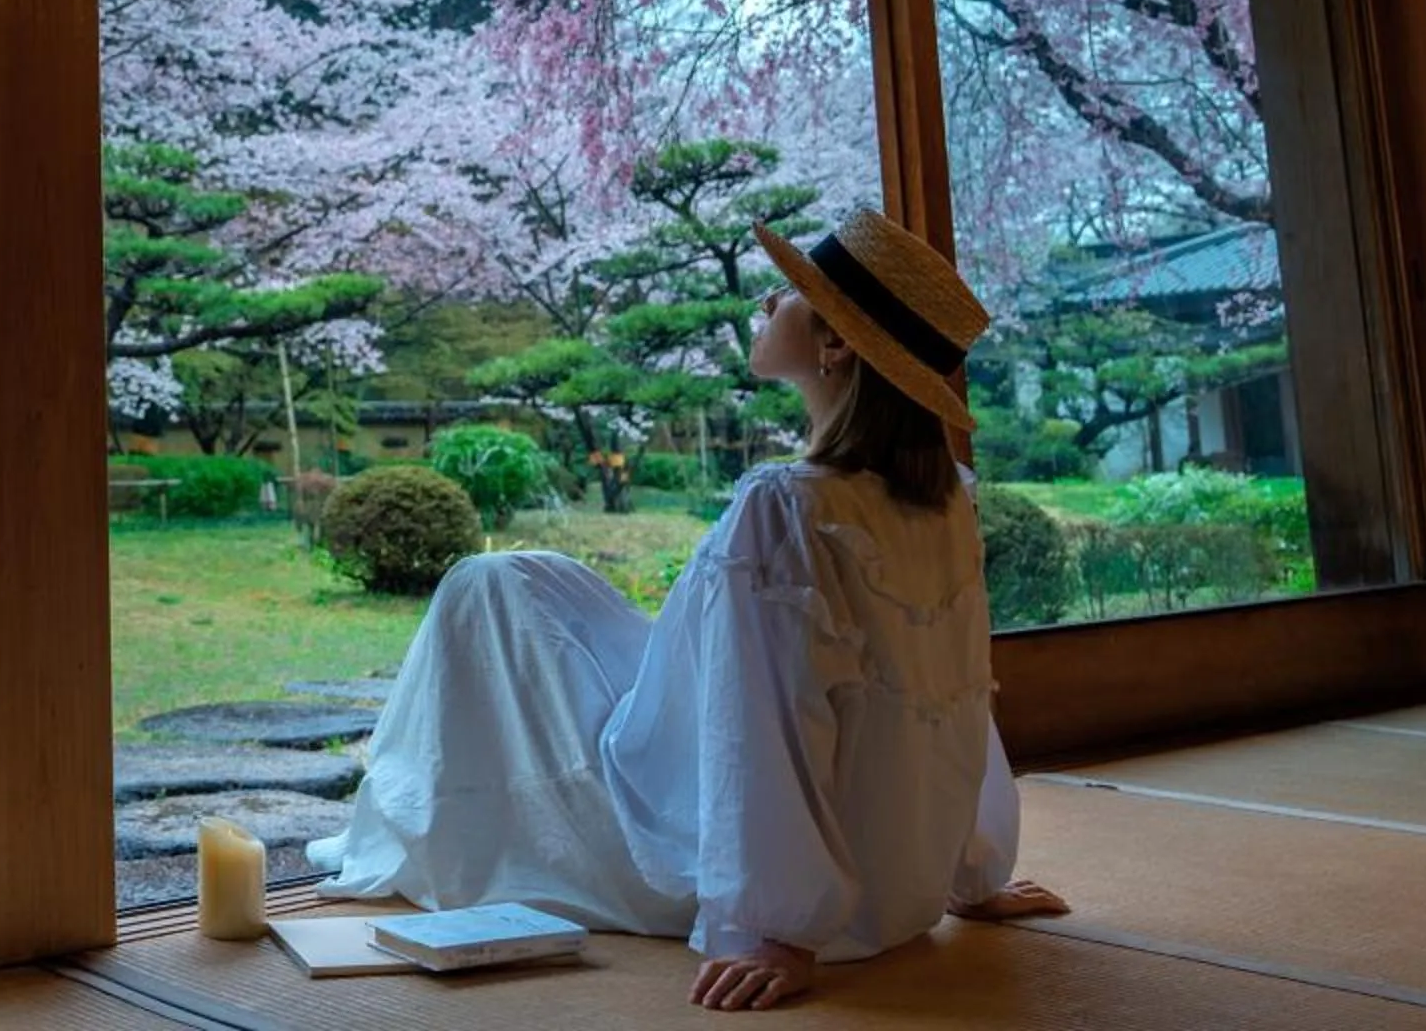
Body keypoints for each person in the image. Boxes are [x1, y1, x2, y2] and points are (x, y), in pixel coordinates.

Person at [305, 207, 1070, 1011]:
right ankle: (425, 817)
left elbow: (768, 725)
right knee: (516, 580)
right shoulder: (946, 497)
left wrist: (779, 926)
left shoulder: (786, 505)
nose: (765, 304)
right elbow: (953, 698)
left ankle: (419, 823)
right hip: (894, 885)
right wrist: (970, 871)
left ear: (836, 346)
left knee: (475, 590)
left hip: (748, 878)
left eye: (789, 294)